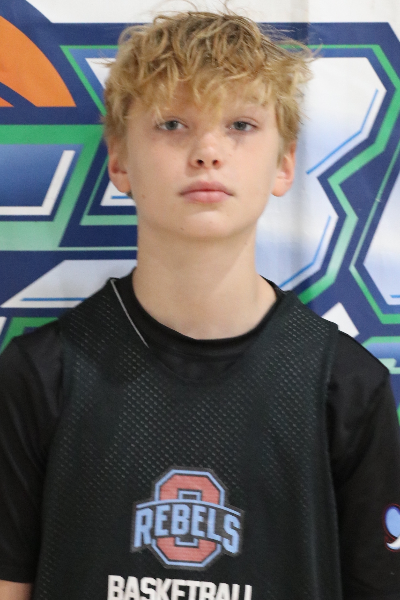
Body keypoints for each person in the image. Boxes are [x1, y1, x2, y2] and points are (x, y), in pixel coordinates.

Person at [1, 9, 400, 600]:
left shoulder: (346, 389)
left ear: (284, 163)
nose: (208, 150)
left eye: (240, 124)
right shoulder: (40, 376)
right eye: (172, 124)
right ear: (120, 160)